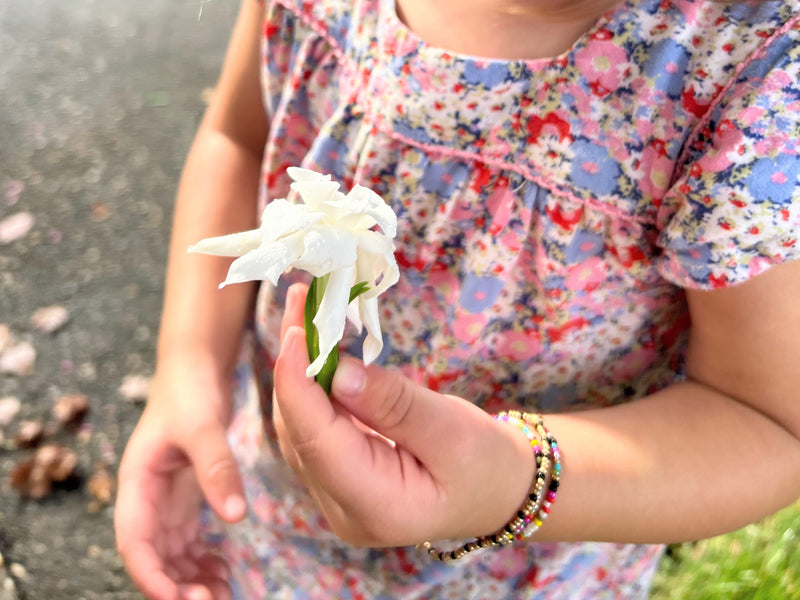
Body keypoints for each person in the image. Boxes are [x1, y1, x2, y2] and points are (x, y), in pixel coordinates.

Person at [115, 0, 800, 598]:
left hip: (526, 567)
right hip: (272, 511)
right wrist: (188, 364)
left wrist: (506, 480)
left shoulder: (750, 80)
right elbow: (236, 137)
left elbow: (767, 422)